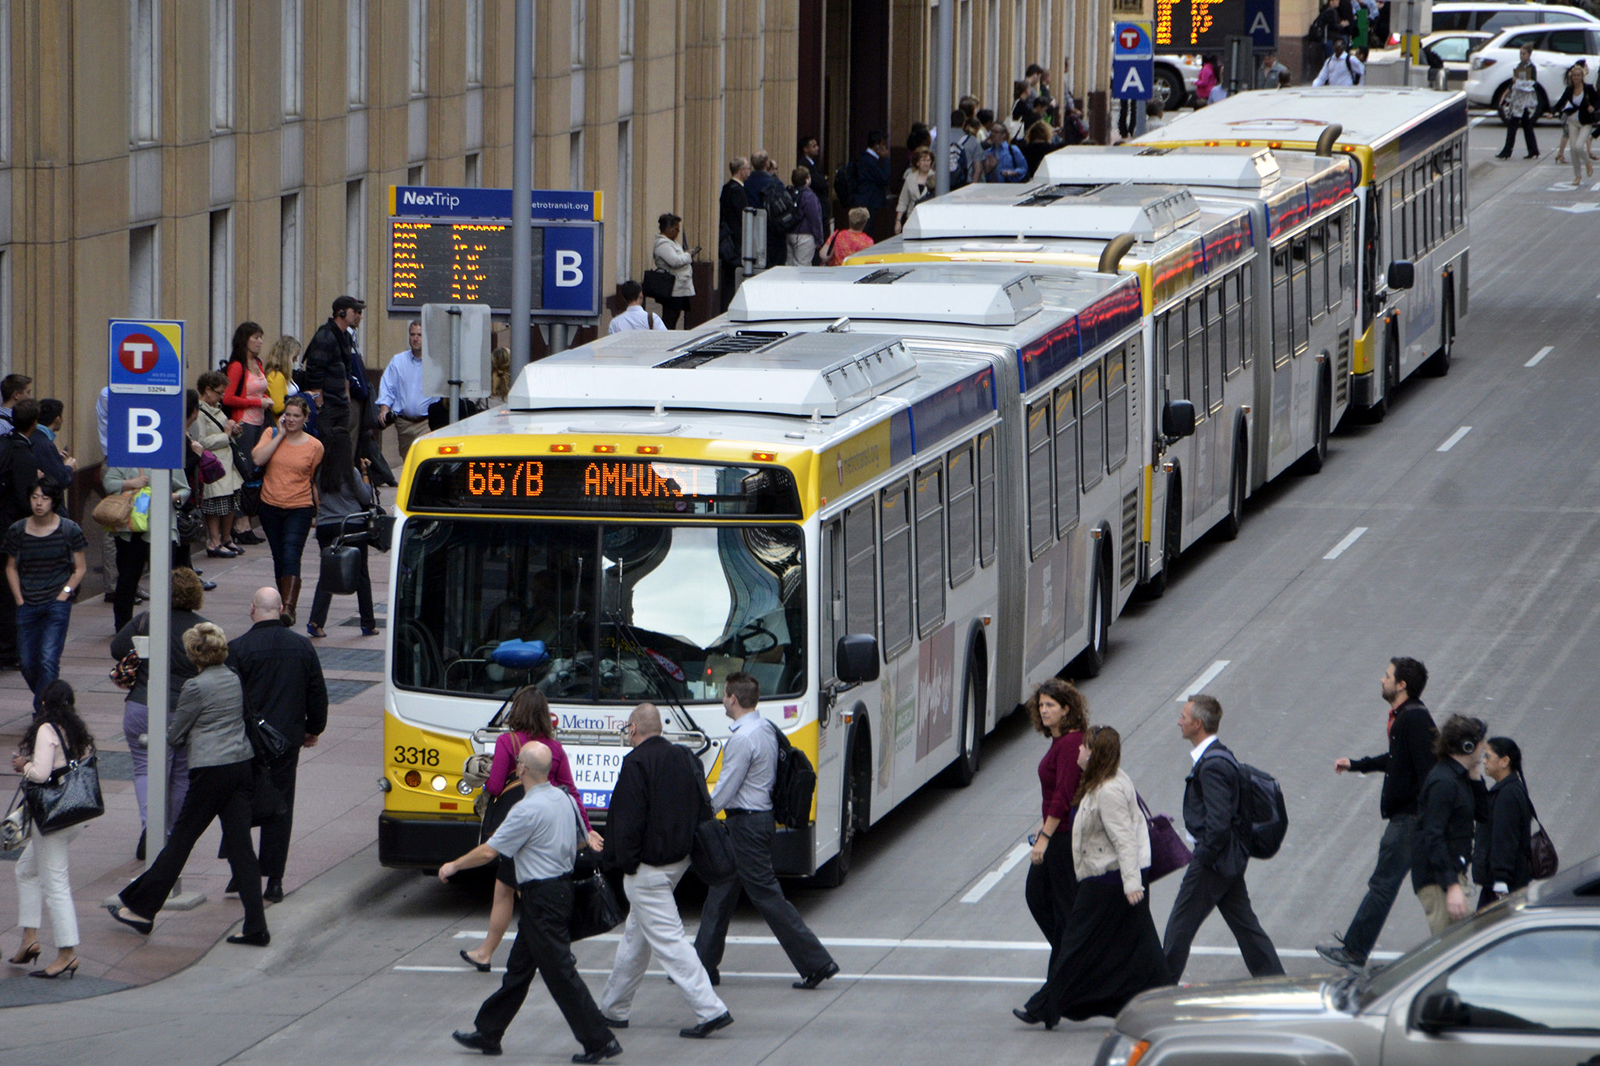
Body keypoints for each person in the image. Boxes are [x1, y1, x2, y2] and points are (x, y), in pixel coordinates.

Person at [442, 742, 621, 1063]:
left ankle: (599, 1040)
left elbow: (488, 851)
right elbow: (582, 839)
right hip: (558, 892)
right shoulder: (564, 799)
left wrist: (453, 865)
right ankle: (489, 1032)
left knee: (561, 975)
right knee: (519, 970)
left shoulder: (526, 809)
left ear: (521, 769)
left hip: (543, 900)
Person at [111, 622, 270, 947]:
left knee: (181, 840)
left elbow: (176, 734)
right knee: (242, 849)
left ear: (194, 654)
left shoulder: (195, 688)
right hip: (240, 766)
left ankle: (142, 908)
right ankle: (256, 925)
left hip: (211, 771)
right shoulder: (233, 678)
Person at [1016, 726, 1169, 1027]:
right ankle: (1161, 1001)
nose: (1079, 752)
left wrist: (1131, 883)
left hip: (1108, 880)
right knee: (1141, 945)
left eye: (1085, 748)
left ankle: (1045, 1006)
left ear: (1095, 754)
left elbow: (1125, 840)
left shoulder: (1108, 790)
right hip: (1114, 878)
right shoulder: (1101, 781)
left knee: (1075, 944)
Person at [694, 673, 838, 989]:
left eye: (724, 694)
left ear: (732, 698)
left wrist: (701, 815)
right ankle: (701, 964)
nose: (723, 699)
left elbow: (727, 787)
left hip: (746, 824)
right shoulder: (765, 729)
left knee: (767, 896)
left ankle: (816, 962)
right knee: (722, 888)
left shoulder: (742, 739)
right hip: (756, 821)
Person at [597, 702, 733, 1039]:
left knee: (670, 942)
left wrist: (624, 863)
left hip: (647, 869)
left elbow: (627, 821)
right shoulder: (684, 757)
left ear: (633, 729)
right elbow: (700, 806)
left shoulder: (636, 763)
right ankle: (613, 1008)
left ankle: (710, 1009)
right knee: (636, 938)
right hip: (679, 861)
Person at [461, 686, 602, 971]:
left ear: (517, 711)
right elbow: (572, 791)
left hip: (518, 826)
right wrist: (586, 829)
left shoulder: (507, 742)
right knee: (512, 887)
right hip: (549, 827)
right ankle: (490, 951)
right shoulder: (555, 748)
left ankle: (542, 951)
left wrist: (483, 776)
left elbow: (497, 785)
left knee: (514, 891)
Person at [1318, 656, 1437, 969]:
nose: (1381, 680)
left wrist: (1427, 819)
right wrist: (1357, 764)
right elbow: (1397, 759)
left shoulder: (1414, 719)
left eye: (1387, 676)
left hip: (1411, 819)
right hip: (1409, 818)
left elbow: (1428, 771)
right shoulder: (1405, 717)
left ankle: (1356, 952)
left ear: (1402, 685)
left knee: (1384, 885)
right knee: (1423, 889)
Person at [1163, 695, 1284, 981]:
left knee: (1179, 928)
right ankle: (1276, 981)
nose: (1178, 721)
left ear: (1198, 724)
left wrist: (1202, 859)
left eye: (1183, 716)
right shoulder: (1219, 756)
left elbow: (1218, 823)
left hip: (1214, 862)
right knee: (1246, 927)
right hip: (1227, 860)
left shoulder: (1213, 764)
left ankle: (1159, 991)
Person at [226, 586, 328, 904]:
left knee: (239, 806)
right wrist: (313, 728)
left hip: (246, 740)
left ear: (252, 608)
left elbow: (230, 699)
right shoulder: (301, 647)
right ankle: (274, 879)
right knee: (281, 806)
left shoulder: (237, 649)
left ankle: (239, 872)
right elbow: (317, 693)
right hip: (286, 740)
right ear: (282, 607)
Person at [110, 567, 209, 859]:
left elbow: (117, 648)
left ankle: (149, 827)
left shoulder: (145, 620)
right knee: (181, 773)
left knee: (145, 768)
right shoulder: (203, 629)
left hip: (141, 704)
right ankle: (167, 834)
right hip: (183, 711)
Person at [9, 680, 93, 979]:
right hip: (73, 815)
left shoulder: (47, 730)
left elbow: (42, 773)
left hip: (52, 818)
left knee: (56, 884)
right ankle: (29, 939)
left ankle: (68, 953)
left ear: (44, 704)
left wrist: (24, 765)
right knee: (26, 870)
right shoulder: (76, 731)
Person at [1022, 679, 1088, 976]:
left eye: (1050, 705)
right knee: (1039, 898)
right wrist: (1042, 826)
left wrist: (1044, 837)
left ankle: (1067, 965)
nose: (1044, 710)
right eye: (1041, 705)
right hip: (1054, 833)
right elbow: (1054, 795)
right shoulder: (1059, 742)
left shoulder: (1072, 742)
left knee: (1059, 907)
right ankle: (1068, 956)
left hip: (1062, 839)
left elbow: (1064, 795)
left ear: (1066, 709)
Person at [5, 477, 87, 703]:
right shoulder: (18, 531)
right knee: (27, 662)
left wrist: (64, 595)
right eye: (34, 497)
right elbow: (11, 567)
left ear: (54, 501)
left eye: (45, 498)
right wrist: (19, 599)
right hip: (27, 603)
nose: (39, 503)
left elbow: (80, 569)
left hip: (56, 604)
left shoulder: (69, 530)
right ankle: (49, 700)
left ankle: (43, 711)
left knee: (48, 659)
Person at [1411, 714, 1489, 936]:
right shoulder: (1444, 783)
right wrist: (1451, 886)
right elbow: (1433, 835)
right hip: (1439, 881)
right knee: (1453, 949)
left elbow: (1483, 815)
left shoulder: (1460, 777)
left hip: (1450, 876)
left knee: (1460, 948)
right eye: (1481, 742)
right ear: (1468, 746)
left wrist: (1476, 777)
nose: (1484, 748)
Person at [251, 396, 324, 627]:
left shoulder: (315, 446)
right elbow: (258, 458)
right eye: (288, 415)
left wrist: (318, 512)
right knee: (279, 557)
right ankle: (281, 605)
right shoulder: (271, 434)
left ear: (305, 418)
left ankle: (289, 609)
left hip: (300, 508)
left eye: (296, 416)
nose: (291, 419)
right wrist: (280, 434)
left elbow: (314, 480)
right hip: (270, 505)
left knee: (292, 554)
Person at [305, 427, 378, 637]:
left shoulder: (321, 471)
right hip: (351, 525)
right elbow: (365, 497)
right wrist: (365, 473)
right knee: (361, 573)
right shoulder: (350, 471)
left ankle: (316, 621)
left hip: (326, 526)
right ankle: (368, 623)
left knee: (327, 573)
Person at [103, 460, 192, 632]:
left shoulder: (170, 459)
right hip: (130, 529)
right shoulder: (127, 459)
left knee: (167, 581)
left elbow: (184, 489)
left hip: (162, 528)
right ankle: (122, 627)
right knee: (127, 580)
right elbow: (108, 483)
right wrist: (131, 483)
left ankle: (167, 625)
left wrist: (172, 496)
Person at [0, 398, 41, 668]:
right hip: (10, 533)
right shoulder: (23, 455)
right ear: (34, 424)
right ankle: (8, 651)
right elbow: (27, 502)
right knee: (10, 592)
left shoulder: (3, 445)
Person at [1473, 736, 1532, 910]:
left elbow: (1505, 839)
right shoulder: (1510, 789)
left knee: (1485, 932)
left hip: (1501, 887)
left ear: (1505, 761)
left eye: (1488, 756)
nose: (1484, 761)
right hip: (1502, 883)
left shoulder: (1507, 794)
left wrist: (1501, 879)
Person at [193, 370, 246, 557]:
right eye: (219, 392)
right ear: (207, 390)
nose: (222, 396)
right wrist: (226, 435)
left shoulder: (216, 408)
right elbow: (200, 441)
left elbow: (224, 430)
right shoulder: (199, 412)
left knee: (230, 503)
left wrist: (234, 430)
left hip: (227, 464)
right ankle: (214, 541)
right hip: (213, 466)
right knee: (215, 504)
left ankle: (226, 538)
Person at [300, 295, 365, 435]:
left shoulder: (345, 336)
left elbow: (347, 370)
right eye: (353, 311)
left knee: (340, 445)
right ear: (341, 312)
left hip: (341, 403)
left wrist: (346, 395)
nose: (358, 316)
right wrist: (319, 402)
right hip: (327, 405)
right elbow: (315, 370)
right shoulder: (326, 336)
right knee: (326, 443)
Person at [375, 319, 438, 460]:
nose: (416, 338)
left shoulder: (435, 363)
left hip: (426, 423)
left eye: (420, 335)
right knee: (408, 460)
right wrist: (384, 409)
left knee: (424, 459)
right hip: (404, 424)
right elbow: (388, 386)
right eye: (412, 334)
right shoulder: (398, 361)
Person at [1553, 63, 1597, 183]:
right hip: (1572, 121)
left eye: (1578, 75)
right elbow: (1561, 102)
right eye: (1574, 76)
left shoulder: (1588, 88)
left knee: (1579, 146)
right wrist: (1552, 112)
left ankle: (1587, 162)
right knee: (1573, 149)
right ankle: (1577, 176)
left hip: (1585, 122)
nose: (1576, 78)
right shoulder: (1569, 90)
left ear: (1582, 76)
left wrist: (1593, 107)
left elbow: (1597, 100)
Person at [1495, 46, 1541, 161]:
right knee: (1526, 125)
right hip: (1518, 99)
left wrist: (1518, 82)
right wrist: (1507, 92)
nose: (1522, 56)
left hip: (1524, 99)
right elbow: (1513, 82)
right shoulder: (1519, 66)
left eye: (1524, 53)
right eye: (1520, 53)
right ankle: (1533, 150)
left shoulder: (1531, 68)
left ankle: (1507, 151)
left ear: (1529, 54)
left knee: (1513, 124)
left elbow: (1532, 84)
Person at [651, 213, 697, 329]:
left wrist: (686, 255)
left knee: (675, 316)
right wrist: (688, 255)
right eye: (676, 229)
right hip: (673, 289)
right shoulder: (663, 244)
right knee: (670, 317)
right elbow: (675, 261)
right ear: (668, 229)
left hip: (679, 287)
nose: (678, 232)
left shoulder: (672, 242)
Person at [718, 157, 752, 311]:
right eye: (747, 168)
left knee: (728, 279)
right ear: (741, 171)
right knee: (733, 280)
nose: (749, 172)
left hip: (727, 239)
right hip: (735, 242)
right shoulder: (738, 191)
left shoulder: (726, 188)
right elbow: (742, 217)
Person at [28, 399, 76, 493]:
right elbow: (61, 480)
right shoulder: (45, 444)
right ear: (57, 419)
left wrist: (56, 459)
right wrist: (69, 467)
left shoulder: (31, 436)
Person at [261, 334, 302, 436]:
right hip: (280, 427)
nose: (296, 360)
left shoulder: (284, 375)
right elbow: (277, 407)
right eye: (294, 357)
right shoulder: (276, 376)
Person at [789, 168, 824, 265]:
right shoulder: (809, 196)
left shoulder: (789, 193)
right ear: (807, 179)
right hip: (804, 235)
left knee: (788, 268)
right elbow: (814, 219)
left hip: (789, 233)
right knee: (802, 268)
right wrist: (819, 239)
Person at [894, 148, 934, 233]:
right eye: (923, 160)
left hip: (930, 219)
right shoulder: (910, 178)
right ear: (917, 163)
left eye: (928, 160)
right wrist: (898, 221)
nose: (926, 163)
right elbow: (903, 201)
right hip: (912, 219)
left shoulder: (935, 177)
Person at [851, 131, 891, 212]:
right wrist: (886, 159)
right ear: (876, 145)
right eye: (883, 144)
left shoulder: (867, 159)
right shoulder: (869, 161)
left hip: (868, 201)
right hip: (869, 202)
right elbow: (884, 179)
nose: (885, 147)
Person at [947, 110, 981, 189]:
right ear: (964, 123)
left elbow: (933, 164)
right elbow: (978, 169)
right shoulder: (972, 140)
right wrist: (972, 188)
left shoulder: (939, 139)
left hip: (943, 183)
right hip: (965, 184)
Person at [798, 135, 828, 203]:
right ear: (805, 149)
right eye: (814, 146)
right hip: (813, 199)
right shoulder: (804, 165)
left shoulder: (812, 164)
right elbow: (818, 182)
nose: (817, 148)